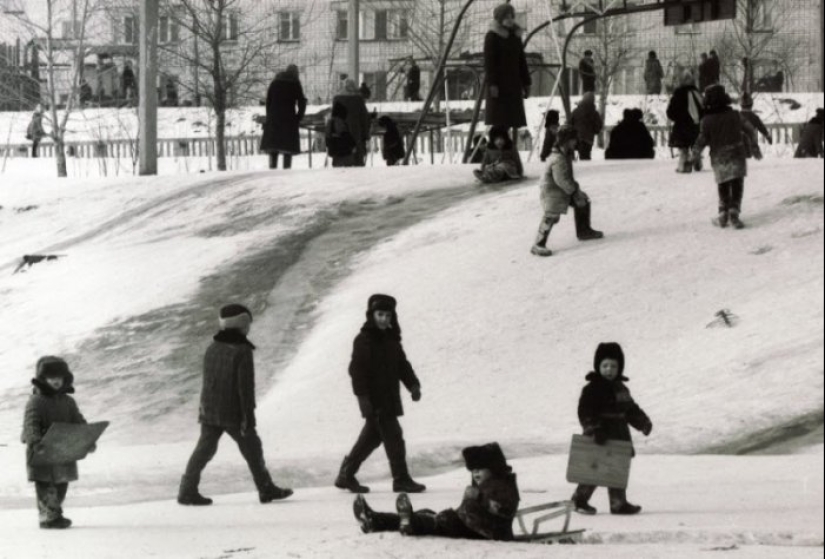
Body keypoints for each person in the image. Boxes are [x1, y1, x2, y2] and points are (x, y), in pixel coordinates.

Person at [178, 304, 293, 506]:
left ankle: (187, 490)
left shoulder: (212, 347)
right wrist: (248, 417)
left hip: (210, 409)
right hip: (232, 412)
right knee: (252, 448)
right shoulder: (242, 351)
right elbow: (245, 389)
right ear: (241, 324)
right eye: (247, 323)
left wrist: (205, 409)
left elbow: (208, 382)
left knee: (204, 449)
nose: (249, 328)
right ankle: (266, 489)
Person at [334, 295, 426, 495]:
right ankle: (401, 479)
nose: (384, 319)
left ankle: (346, 475)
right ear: (371, 315)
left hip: (389, 398)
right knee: (394, 438)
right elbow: (356, 371)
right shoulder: (364, 340)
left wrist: (413, 385)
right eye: (380, 314)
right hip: (376, 401)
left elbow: (402, 365)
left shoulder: (391, 339)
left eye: (387, 315)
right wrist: (363, 399)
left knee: (371, 439)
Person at [353, 443, 520, 541]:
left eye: (480, 470)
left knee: (439, 521)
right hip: (470, 527)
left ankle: (405, 522)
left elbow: (501, 510)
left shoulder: (502, 487)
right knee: (427, 514)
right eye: (473, 470)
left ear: (493, 469)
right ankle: (376, 520)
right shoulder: (486, 485)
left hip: (484, 532)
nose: (475, 474)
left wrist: (477, 498)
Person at [572, 343, 653, 516]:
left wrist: (643, 422)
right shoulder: (592, 389)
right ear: (598, 366)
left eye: (614, 366)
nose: (609, 369)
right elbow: (585, 411)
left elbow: (630, 409)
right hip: (599, 436)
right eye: (605, 365)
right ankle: (579, 500)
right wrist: (594, 428)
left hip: (619, 434)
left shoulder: (621, 389)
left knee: (618, 469)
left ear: (620, 368)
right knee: (594, 469)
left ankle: (618, 503)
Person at [22, 357, 92, 529]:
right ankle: (47, 517)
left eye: (59, 377)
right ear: (43, 379)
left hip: (63, 449)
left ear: (65, 379)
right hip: (41, 450)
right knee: (45, 485)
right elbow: (30, 424)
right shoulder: (35, 401)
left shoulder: (68, 401)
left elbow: (78, 421)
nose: (56, 381)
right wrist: (35, 441)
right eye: (51, 377)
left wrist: (87, 439)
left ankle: (55, 513)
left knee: (62, 483)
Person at [693, 84, 761, 230]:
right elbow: (751, 130)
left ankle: (723, 214)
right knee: (737, 183)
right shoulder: (736, 115)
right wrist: (754, 146)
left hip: (719, 157)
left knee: (723, 184)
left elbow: (701, 140)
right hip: (737, 154)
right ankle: (734, 213)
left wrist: (695, 155)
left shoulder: (706, 121)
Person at [531, 126, 604, 258]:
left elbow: (566, 179)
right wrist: (575, 190)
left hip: (562, 190)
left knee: (582, 201)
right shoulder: (558, 158)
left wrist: (577, 191)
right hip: (552, 192)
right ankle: (538, 244)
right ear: (565, 141)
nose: (575, 142)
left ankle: (584, 231)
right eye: (573, 140)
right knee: (551, 216)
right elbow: (562, 180)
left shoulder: (565, 154)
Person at [484, 4, 531, 139]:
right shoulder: (492, 36)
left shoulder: (515, 36)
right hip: (499, 86)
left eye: (511, 16)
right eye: (506, 17)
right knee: (500, 121)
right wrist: (492, 84)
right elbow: (489, 62)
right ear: (499, 19)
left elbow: (521, 61)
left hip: (513, 85)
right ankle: (497, 149)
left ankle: (506, 149)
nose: (510, 20)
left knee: (510, 120)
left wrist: (526, 82)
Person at [260, 64, 307, 170]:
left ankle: (272, 168)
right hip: (288, 118)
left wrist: (270, 116)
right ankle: (287, 169)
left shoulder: (275, 82)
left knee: (273, 146)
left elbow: (268, 101)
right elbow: (301, 101)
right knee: (287, 148)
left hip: (274, 118)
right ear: (295, 73)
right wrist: (299, 116)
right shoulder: (295, 83)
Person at [667, 71, 704, 173]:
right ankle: (697, 161)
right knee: (695, 145)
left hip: (681, 125)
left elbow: (671, 111)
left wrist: (676, 118)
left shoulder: (678, 93)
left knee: (683, 148)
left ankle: (683, 166)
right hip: (695, 125)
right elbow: (703, 109)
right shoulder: (697, 93)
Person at [333, 79, 371, 166]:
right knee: (357, 165)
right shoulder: (358, 100)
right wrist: (366, 136)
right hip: (355, 136)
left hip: (340, 138)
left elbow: (334, 120)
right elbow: (364, 119)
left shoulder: (336, 99)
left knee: (341, 168)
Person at [570, 92, 603, 161]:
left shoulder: (576, 111)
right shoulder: (594, 113)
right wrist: (594, 131)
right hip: (588, 139)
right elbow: (598, 126)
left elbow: (569, 123)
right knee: (585, 158)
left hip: (576, 138)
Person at [739, 93, 772, 158]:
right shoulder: (754, 117)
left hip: (739, 146)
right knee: (758, 161)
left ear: (741, 105)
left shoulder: (736, 116)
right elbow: (761, 127)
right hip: (752, 145)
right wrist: (768, 136)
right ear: (751, 105)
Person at [325, 101, 357, 167]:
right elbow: (345, 135)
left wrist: (329, 146)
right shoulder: (339, 122)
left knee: (337, 170)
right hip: (344, 152)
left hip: (334, 152)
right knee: (348, 170)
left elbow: (327, 137)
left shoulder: (329, 122)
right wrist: (353, 144)